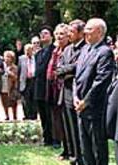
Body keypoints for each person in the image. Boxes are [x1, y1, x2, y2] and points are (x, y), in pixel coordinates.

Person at [73, 18, 115, 165]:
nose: (86, 32)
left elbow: (101, 80)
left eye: (89, 29)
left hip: (95, 106)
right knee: (85, 141)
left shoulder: (105, 52)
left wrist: (86, 101)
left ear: (99, 32)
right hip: (80, 104)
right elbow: (77, 76)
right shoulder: (85, 49)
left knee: (97, 142)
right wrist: (76, 97)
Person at [56, 19, 86, 165]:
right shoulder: (67, 50)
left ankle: (82, 161)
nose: (69, 34)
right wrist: (65, 71)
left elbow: (77, 67)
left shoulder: (85, 49)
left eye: (72, 32)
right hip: (66, 92)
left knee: (78, 129)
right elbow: (59, 69)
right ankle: (74, 159)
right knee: (69, 129)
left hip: (78, 93)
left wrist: (65, 70)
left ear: (81, 33)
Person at [47, 23, 70, 154]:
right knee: (57, 118)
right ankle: (62, 146)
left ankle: (68, 149)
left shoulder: (68, 50)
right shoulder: (55, 51)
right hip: (54, 89)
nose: (59, 36)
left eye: (62, 34)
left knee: (65, 120)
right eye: (57, 34)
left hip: (64, 88)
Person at [34, 26, 55, 146]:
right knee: (42, 114)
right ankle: (46, 138)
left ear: (51, 36)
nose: (43, 35)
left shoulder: (55, 51)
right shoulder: (38, 53)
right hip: (39, 88)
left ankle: (53, 138)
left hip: (49, 88)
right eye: (41, 34)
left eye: (46, 33)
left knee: (50, 114)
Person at [18, 43, 37, 120]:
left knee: (34, 99)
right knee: (25, 100)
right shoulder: (21, 58)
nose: (27, 52)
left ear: (32, 50)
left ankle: (34, 116)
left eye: (29, 50)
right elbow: (19, 71)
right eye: (25, 50)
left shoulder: (36, 58)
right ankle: (27, 115)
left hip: (34, 80)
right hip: (25, 81)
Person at [1, 51, 19, 120]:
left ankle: (14, 116)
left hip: (12, 87)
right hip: (3, 86)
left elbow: (16, 77)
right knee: (4, 102)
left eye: (9, 57)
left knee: (13, 103)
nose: (7, 58)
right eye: (6, 56)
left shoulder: (15, 67)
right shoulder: (1, 66)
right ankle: (7, 116)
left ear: (12, 58)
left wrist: (10, 74)